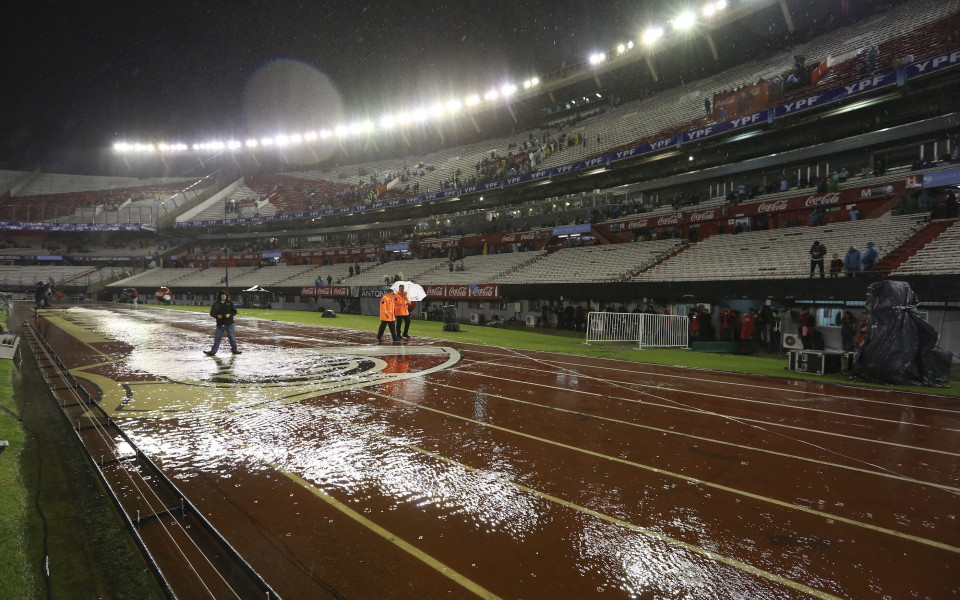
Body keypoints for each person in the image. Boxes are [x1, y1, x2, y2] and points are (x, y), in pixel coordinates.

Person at [205, 290, 241, 355]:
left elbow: (234, 311)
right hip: (220, 324)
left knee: (232, 337)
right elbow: (212, 313)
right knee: (217, 338)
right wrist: (217, 316)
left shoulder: (230, 303)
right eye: (222, 295)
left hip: (230, 324)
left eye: (225, 295)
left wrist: (230, 315)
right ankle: (213, 352)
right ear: (220, 296)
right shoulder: (216, 304)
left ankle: (234, 350)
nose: (224, 296)